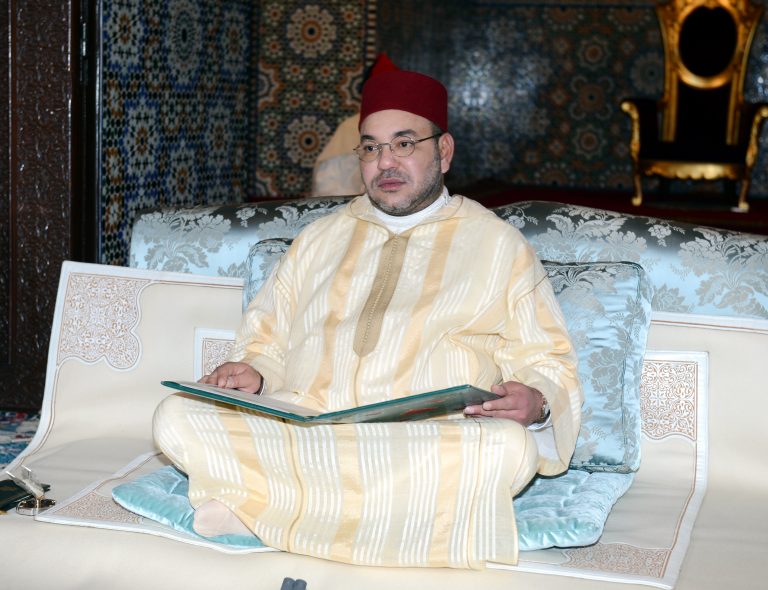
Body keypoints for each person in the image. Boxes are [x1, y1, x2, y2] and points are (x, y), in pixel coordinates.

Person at [153, 69, 583, 569]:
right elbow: (266, 340)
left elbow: (547, 361)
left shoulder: (498, 245)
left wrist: (536, 403)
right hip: (310, 432)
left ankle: (269, 511)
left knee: (508, 449)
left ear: (443, 151)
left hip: (421, 442)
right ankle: (398, 523)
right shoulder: (319, 239)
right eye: (371, 148)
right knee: (176, 415)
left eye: (404, 144)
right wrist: (254, 373)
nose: (386, 163)